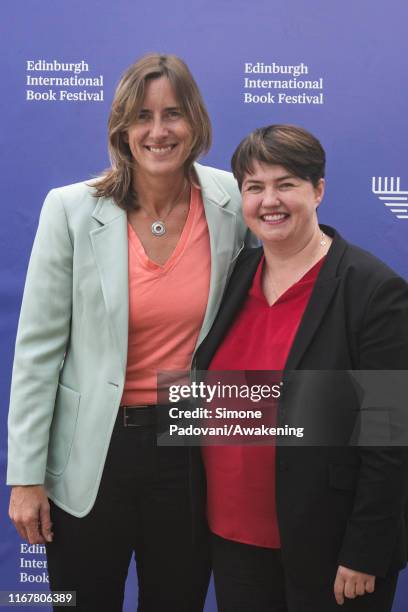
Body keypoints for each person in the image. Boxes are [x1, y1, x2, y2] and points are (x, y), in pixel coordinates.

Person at [7, 53, 250, 611]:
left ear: (196, 122)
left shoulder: (233, 200)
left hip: (189, 451)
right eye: (142, 116)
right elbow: (37, 352)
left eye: (173, 114)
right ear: (122, 127)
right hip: (92, 454)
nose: (158, 131)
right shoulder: (70, 209)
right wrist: (25, 477)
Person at [196, 125, 408, 611]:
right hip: (232, 541)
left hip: (330, 548)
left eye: (286, 183)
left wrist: (365, 552)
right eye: (254, 187)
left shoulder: (373, 290)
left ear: (318, 190)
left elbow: (390, 436)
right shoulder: (233, 276)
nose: (270, 200)